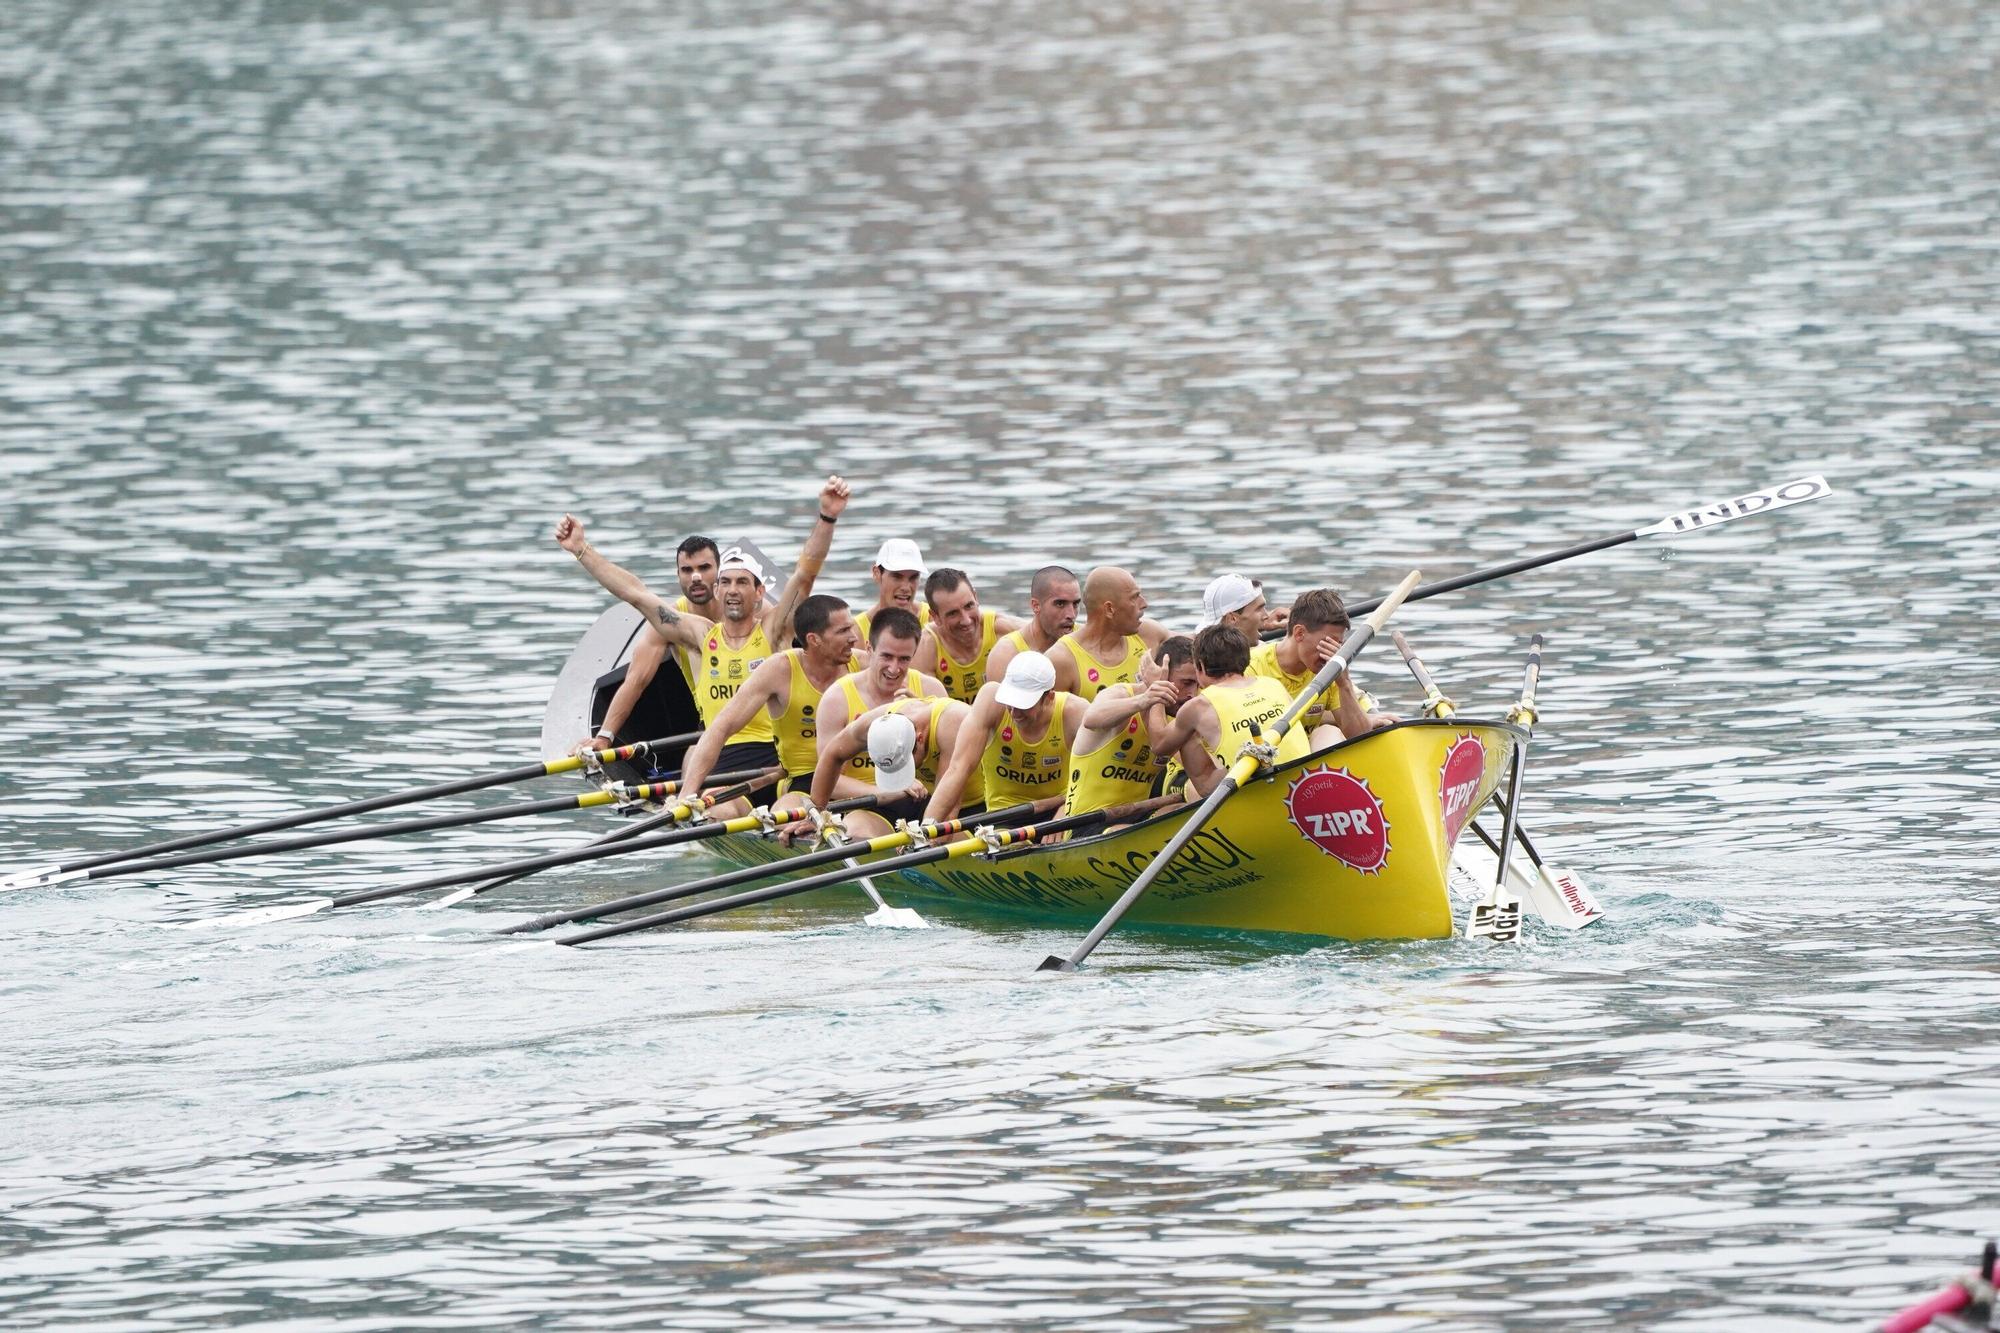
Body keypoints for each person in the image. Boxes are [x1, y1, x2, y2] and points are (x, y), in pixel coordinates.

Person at [553, 475, 850, 798]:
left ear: (759, 592)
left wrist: (827, 517)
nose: (733, 590)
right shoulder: (699, 635)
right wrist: (582, 550)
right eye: (726, 583)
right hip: (720, 756)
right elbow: (634, 594)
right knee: (704, 775)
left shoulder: (774, 630)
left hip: (774, 760)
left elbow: (805, 573)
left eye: (742, 583)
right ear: (717, 590)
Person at [668, 594, 865, 817]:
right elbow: (720, 728)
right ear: (814, 639)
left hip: (859, 780)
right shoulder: (780, 669)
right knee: (717, 812)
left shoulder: (866, 665)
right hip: (802, 781)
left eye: (852, 628)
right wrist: (687, 795)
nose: (853, 638)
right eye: (843, 631)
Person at [575, 535, 730, 752]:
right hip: (710, 726)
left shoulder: (750, 612)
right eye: (687, 570)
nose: (696, 577)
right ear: (678, 575)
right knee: (692, 762)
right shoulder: (671, 622)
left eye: (704, 568)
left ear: (720, 572)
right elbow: (635, 680)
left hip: (760, 724)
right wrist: (604, 736)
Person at [1144, 625, 1310, 799]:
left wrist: (1156, 688)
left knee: (1185, 734)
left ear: (1199, 666)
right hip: (1304, 786)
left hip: (1258, 796)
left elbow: (1159, 745)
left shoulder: (1198, 706)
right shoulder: (1273, 684)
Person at [924, 650, 1086, 822]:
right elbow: (958, 768)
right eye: (1011, 701)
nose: (1014, 712)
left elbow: (1094, 776)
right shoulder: (990, 701)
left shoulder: (1075, 712)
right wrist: (927, 827)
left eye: (1023, 704)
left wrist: (1066, 806)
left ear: (1049, 697)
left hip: (1061, 811)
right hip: (1004, 814)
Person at [811, 607, 948, 789]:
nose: (894, 668)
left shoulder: (931, 690)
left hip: (922, 795)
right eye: (887, 656)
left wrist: (924, 717)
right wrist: (885, 792)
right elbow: (831, 781)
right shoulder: (836, 699)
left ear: (914, 655)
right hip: (867, 803)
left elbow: (949, 767)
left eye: (904, 659)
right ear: (869, 648)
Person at [1062, 636, 1198, 818]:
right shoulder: (1121, 694)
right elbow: (1090, 718)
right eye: (1187, 683)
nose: (1192, 694)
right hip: (1087, 824)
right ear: (1161, 673)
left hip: (1135, 820)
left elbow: (1201, 769)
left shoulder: (1172, 720)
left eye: (1197, 684)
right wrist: (1145, 700)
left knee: (1185, 811)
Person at [809, 696, 982, 837]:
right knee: (856, 829)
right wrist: (816, 815)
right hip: (928, 799)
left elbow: (947, 815)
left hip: (978, 804)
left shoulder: (951, 723)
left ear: (920, 739)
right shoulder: (875, 723)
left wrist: (921, 844)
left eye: (903, 765)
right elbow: (833, 754)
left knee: (944, 838)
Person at [1247, 587, 1396, 743]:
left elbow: (1359, 736)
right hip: (1267, 755)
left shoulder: (1329, 669)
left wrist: (1344, 683)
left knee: (1327, 732)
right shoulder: (1251, 667)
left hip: (1308, 759)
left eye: (1338, 645)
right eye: (1327, 643)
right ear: (1299, 633)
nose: (1331, 653)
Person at [1046, 566, 1170, 702]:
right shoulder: (1062, 660)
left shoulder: (1149, 634)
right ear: (1109, 609)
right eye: (1134, 598)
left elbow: (1193, 645)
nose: (1144, 603)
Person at [911, 568, 1026, 704]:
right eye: (953, 613)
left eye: (969, 606)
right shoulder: (925, 648)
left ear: (976, 598)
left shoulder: (1005, 629)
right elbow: (929, 713)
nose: (966, 620)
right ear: (935, 617)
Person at [984, 564, 1082, 686]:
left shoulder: (1086, 641)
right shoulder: (1006, 654)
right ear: (1036, 606)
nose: (1071, 615)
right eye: (1060, 604)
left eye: (1076, 604)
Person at [853, 538, 932, 642]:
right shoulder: (856, 632)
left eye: (913, 578)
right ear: (877, 574)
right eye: (897, 577)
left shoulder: (933, 619)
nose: (905, 587)